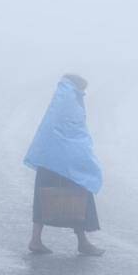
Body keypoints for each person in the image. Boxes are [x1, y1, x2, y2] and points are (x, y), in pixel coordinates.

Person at [24, 74, 104, 256]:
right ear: (76, 88)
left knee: (42, 196)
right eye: (82, 90)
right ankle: (82, 242)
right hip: (65, 161)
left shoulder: (60, 100)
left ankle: (36, 239)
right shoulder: (69, 102)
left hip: (49, 157)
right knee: (80, 194)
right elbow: (74, 132)